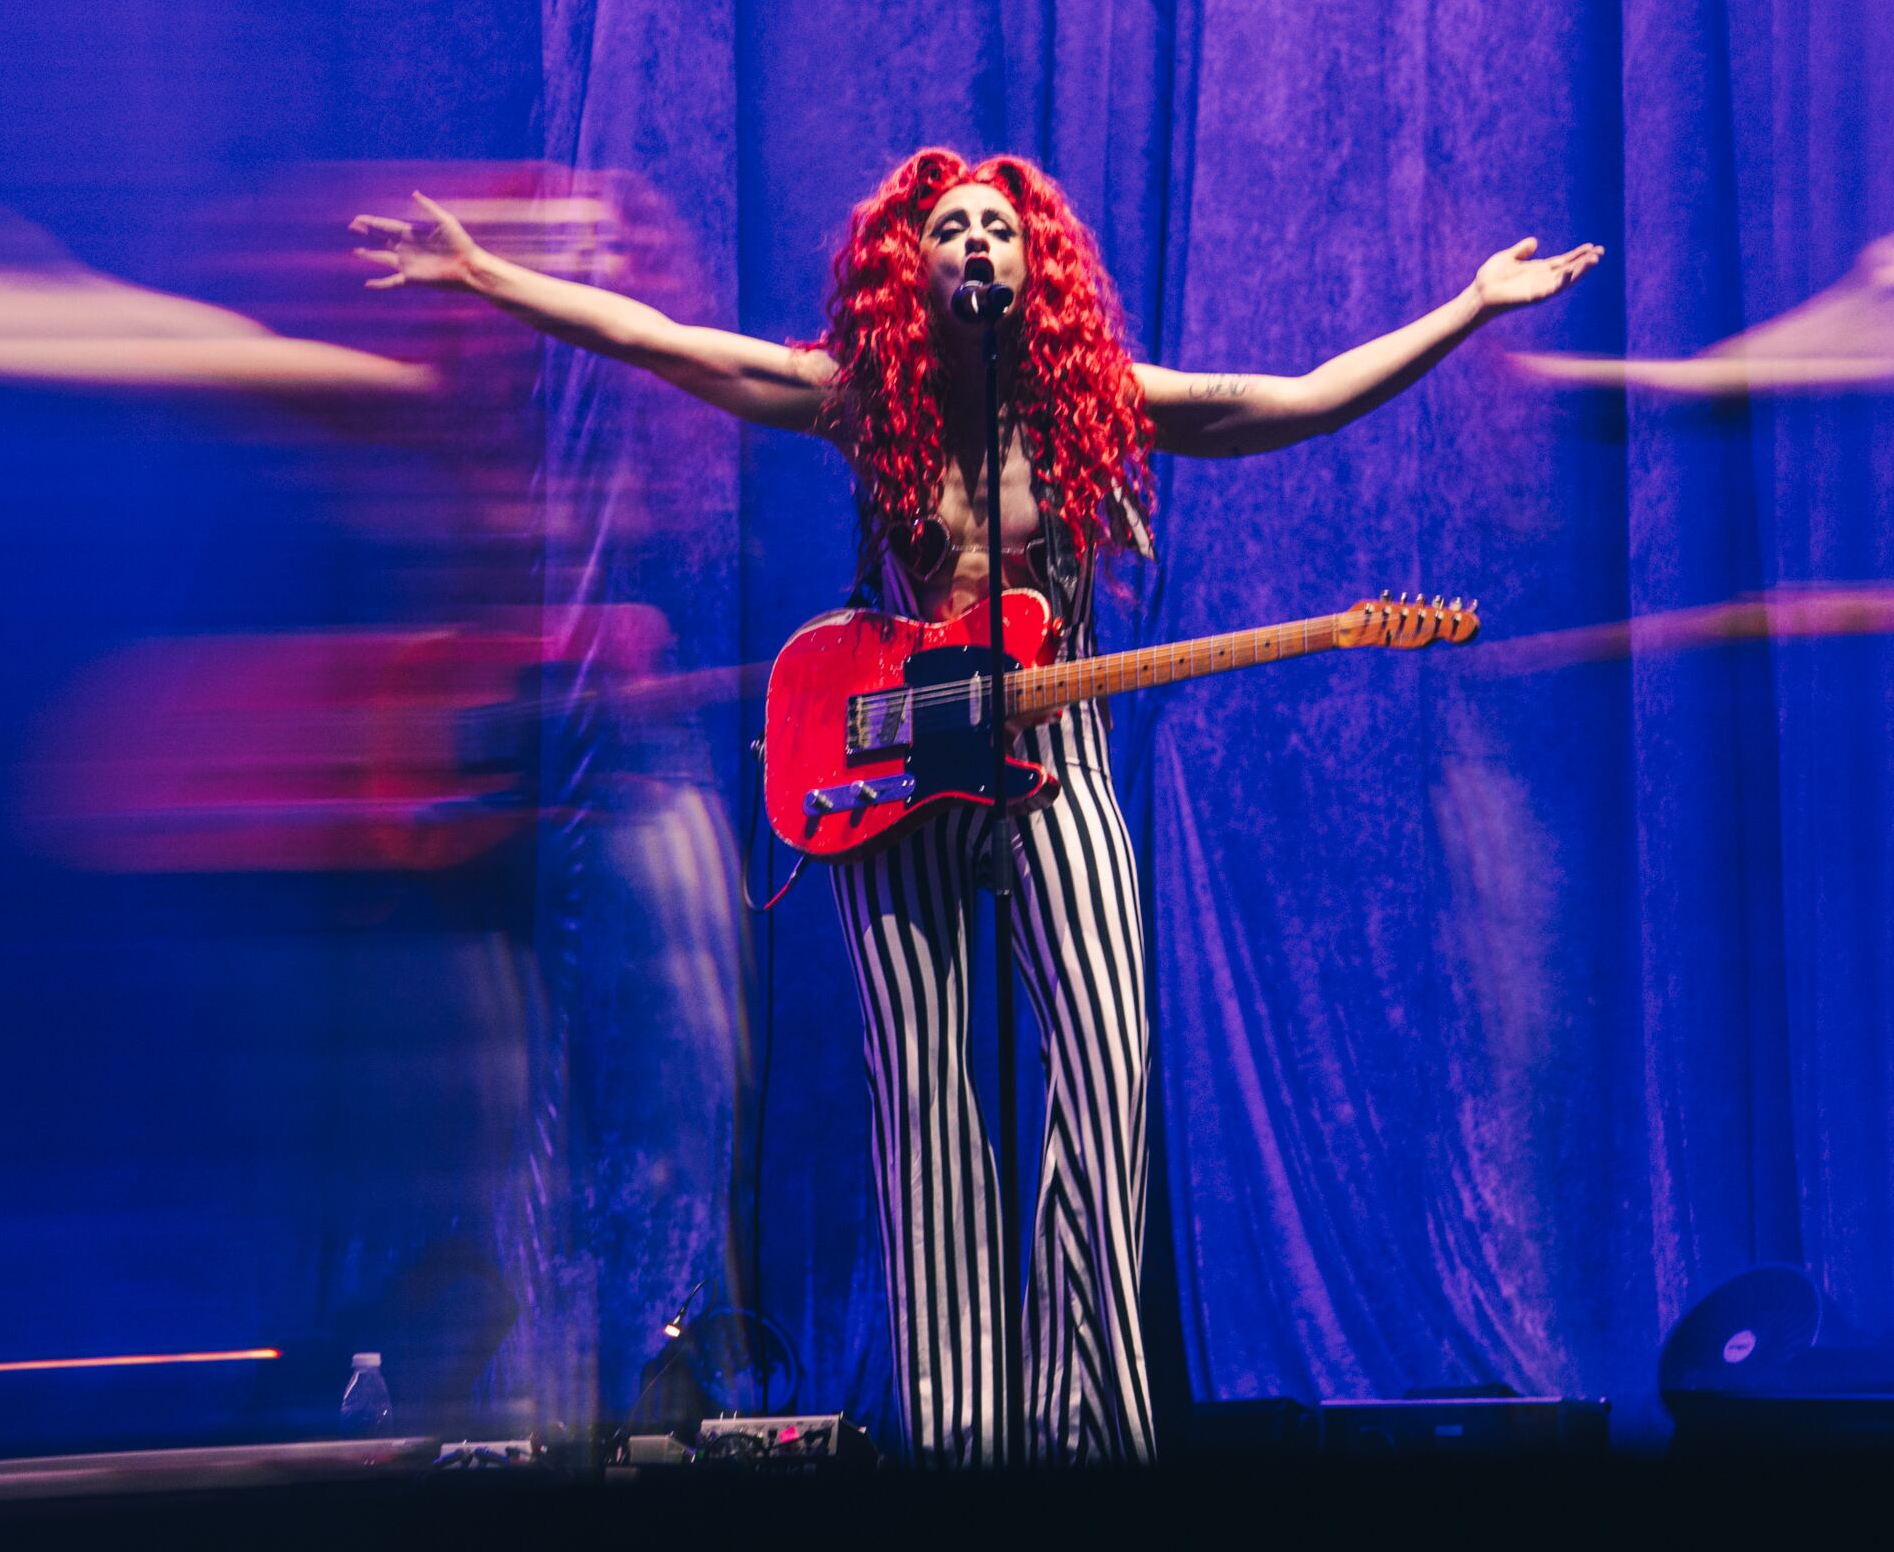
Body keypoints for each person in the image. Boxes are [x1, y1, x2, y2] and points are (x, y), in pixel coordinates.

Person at [350, 148, 1600, 1463]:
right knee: (923, 1103)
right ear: (914, 265)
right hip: (895, 770)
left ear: (1035, 261)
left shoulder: (1096, 404)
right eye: (952, 229)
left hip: (1057, 758)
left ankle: (1084, 1440)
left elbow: (1301, 402)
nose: (978, 245)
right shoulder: (861, 400)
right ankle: (959, 1447)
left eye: (999, 228)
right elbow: (662, 342)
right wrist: (485, 275)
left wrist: (1470, 306)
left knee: (1107, 1070)